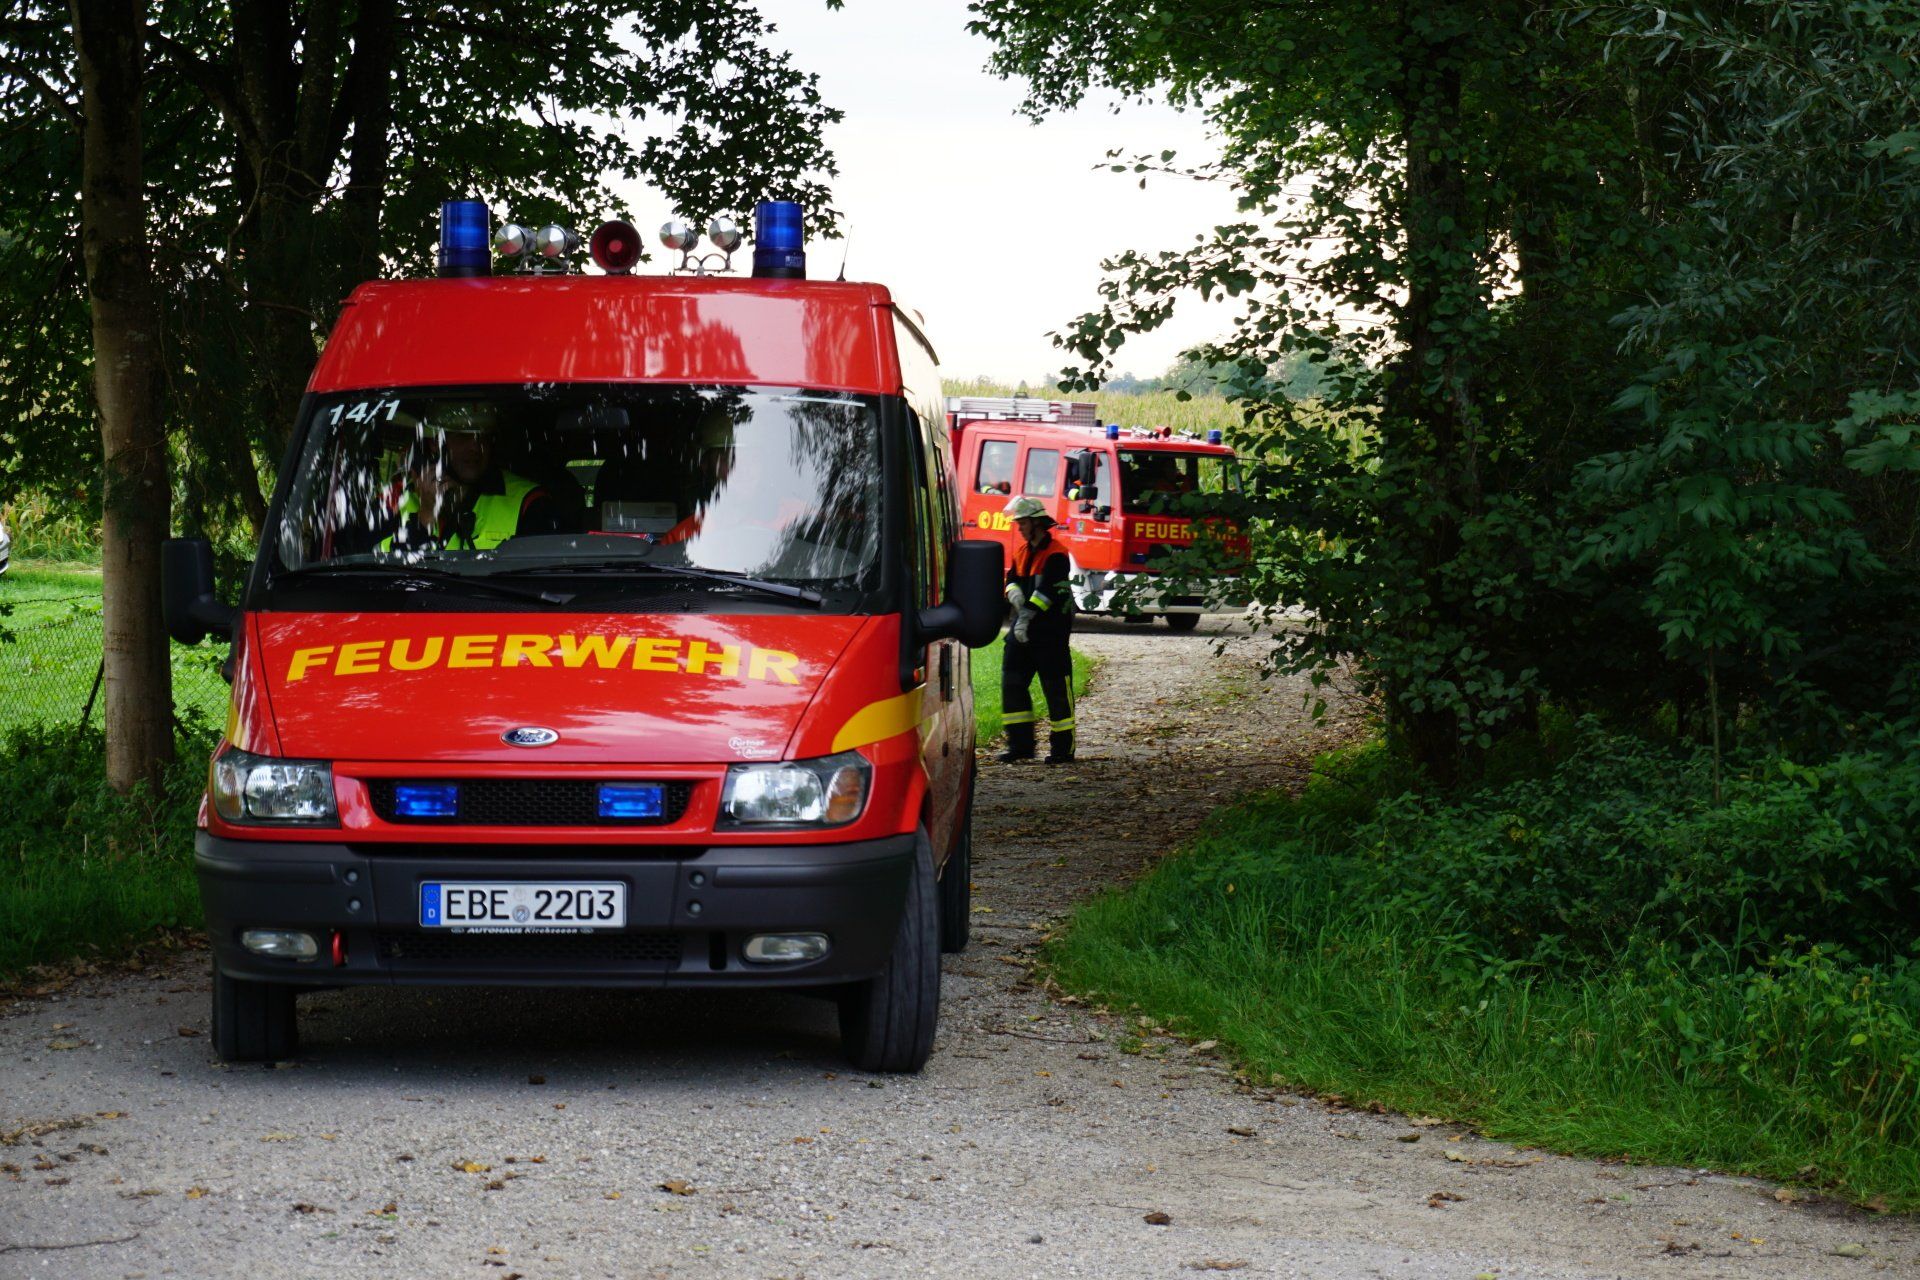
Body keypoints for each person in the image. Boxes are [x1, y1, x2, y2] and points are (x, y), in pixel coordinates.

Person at [382, 403, 564, 552]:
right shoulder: (394, 500)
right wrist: (426, 515)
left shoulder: (530, 503)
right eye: (463, 436)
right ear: (435, 443)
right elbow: (386, 574)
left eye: (483, 437)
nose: (476, 447)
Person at [998, 494, 1075, 765]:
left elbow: (1047, 592)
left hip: (1049, 635)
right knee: (1012, 683)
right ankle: (1020, 745)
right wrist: (1013, 593)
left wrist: (1026, 617)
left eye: (1022, 523)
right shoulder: (1022, 552)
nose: (1018, 527)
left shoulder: (1057, 554)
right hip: (1022, 633)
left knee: (1056, 690)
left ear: (1036, 523)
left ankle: (1063, 749)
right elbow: (1011, 579)